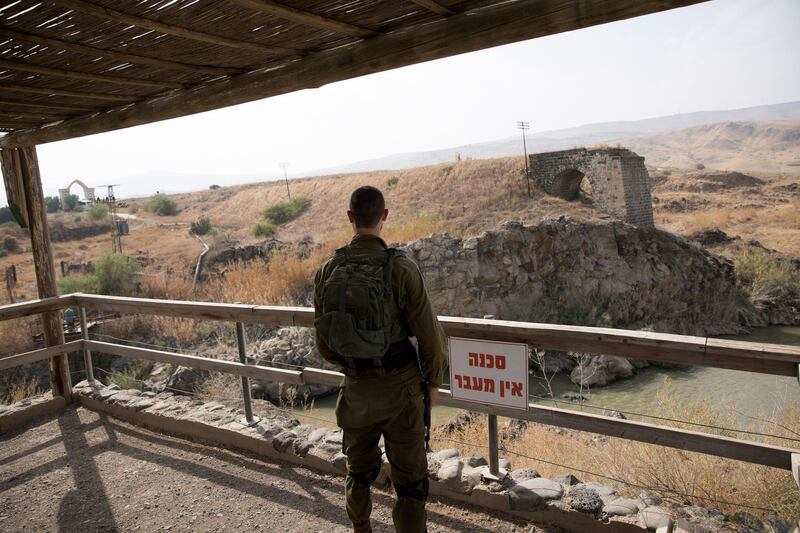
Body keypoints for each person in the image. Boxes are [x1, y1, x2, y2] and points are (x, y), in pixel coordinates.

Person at [314, 186, 447, 533]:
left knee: (357, 470)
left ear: (350, 218)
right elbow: (430, 336)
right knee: (410, 481)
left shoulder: (328, 269)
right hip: (401, 389)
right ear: (385, 216)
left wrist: (355, 363)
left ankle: (361, 527)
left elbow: (325, 344)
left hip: (356, 388)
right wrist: (433, 381)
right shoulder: (401, 267)